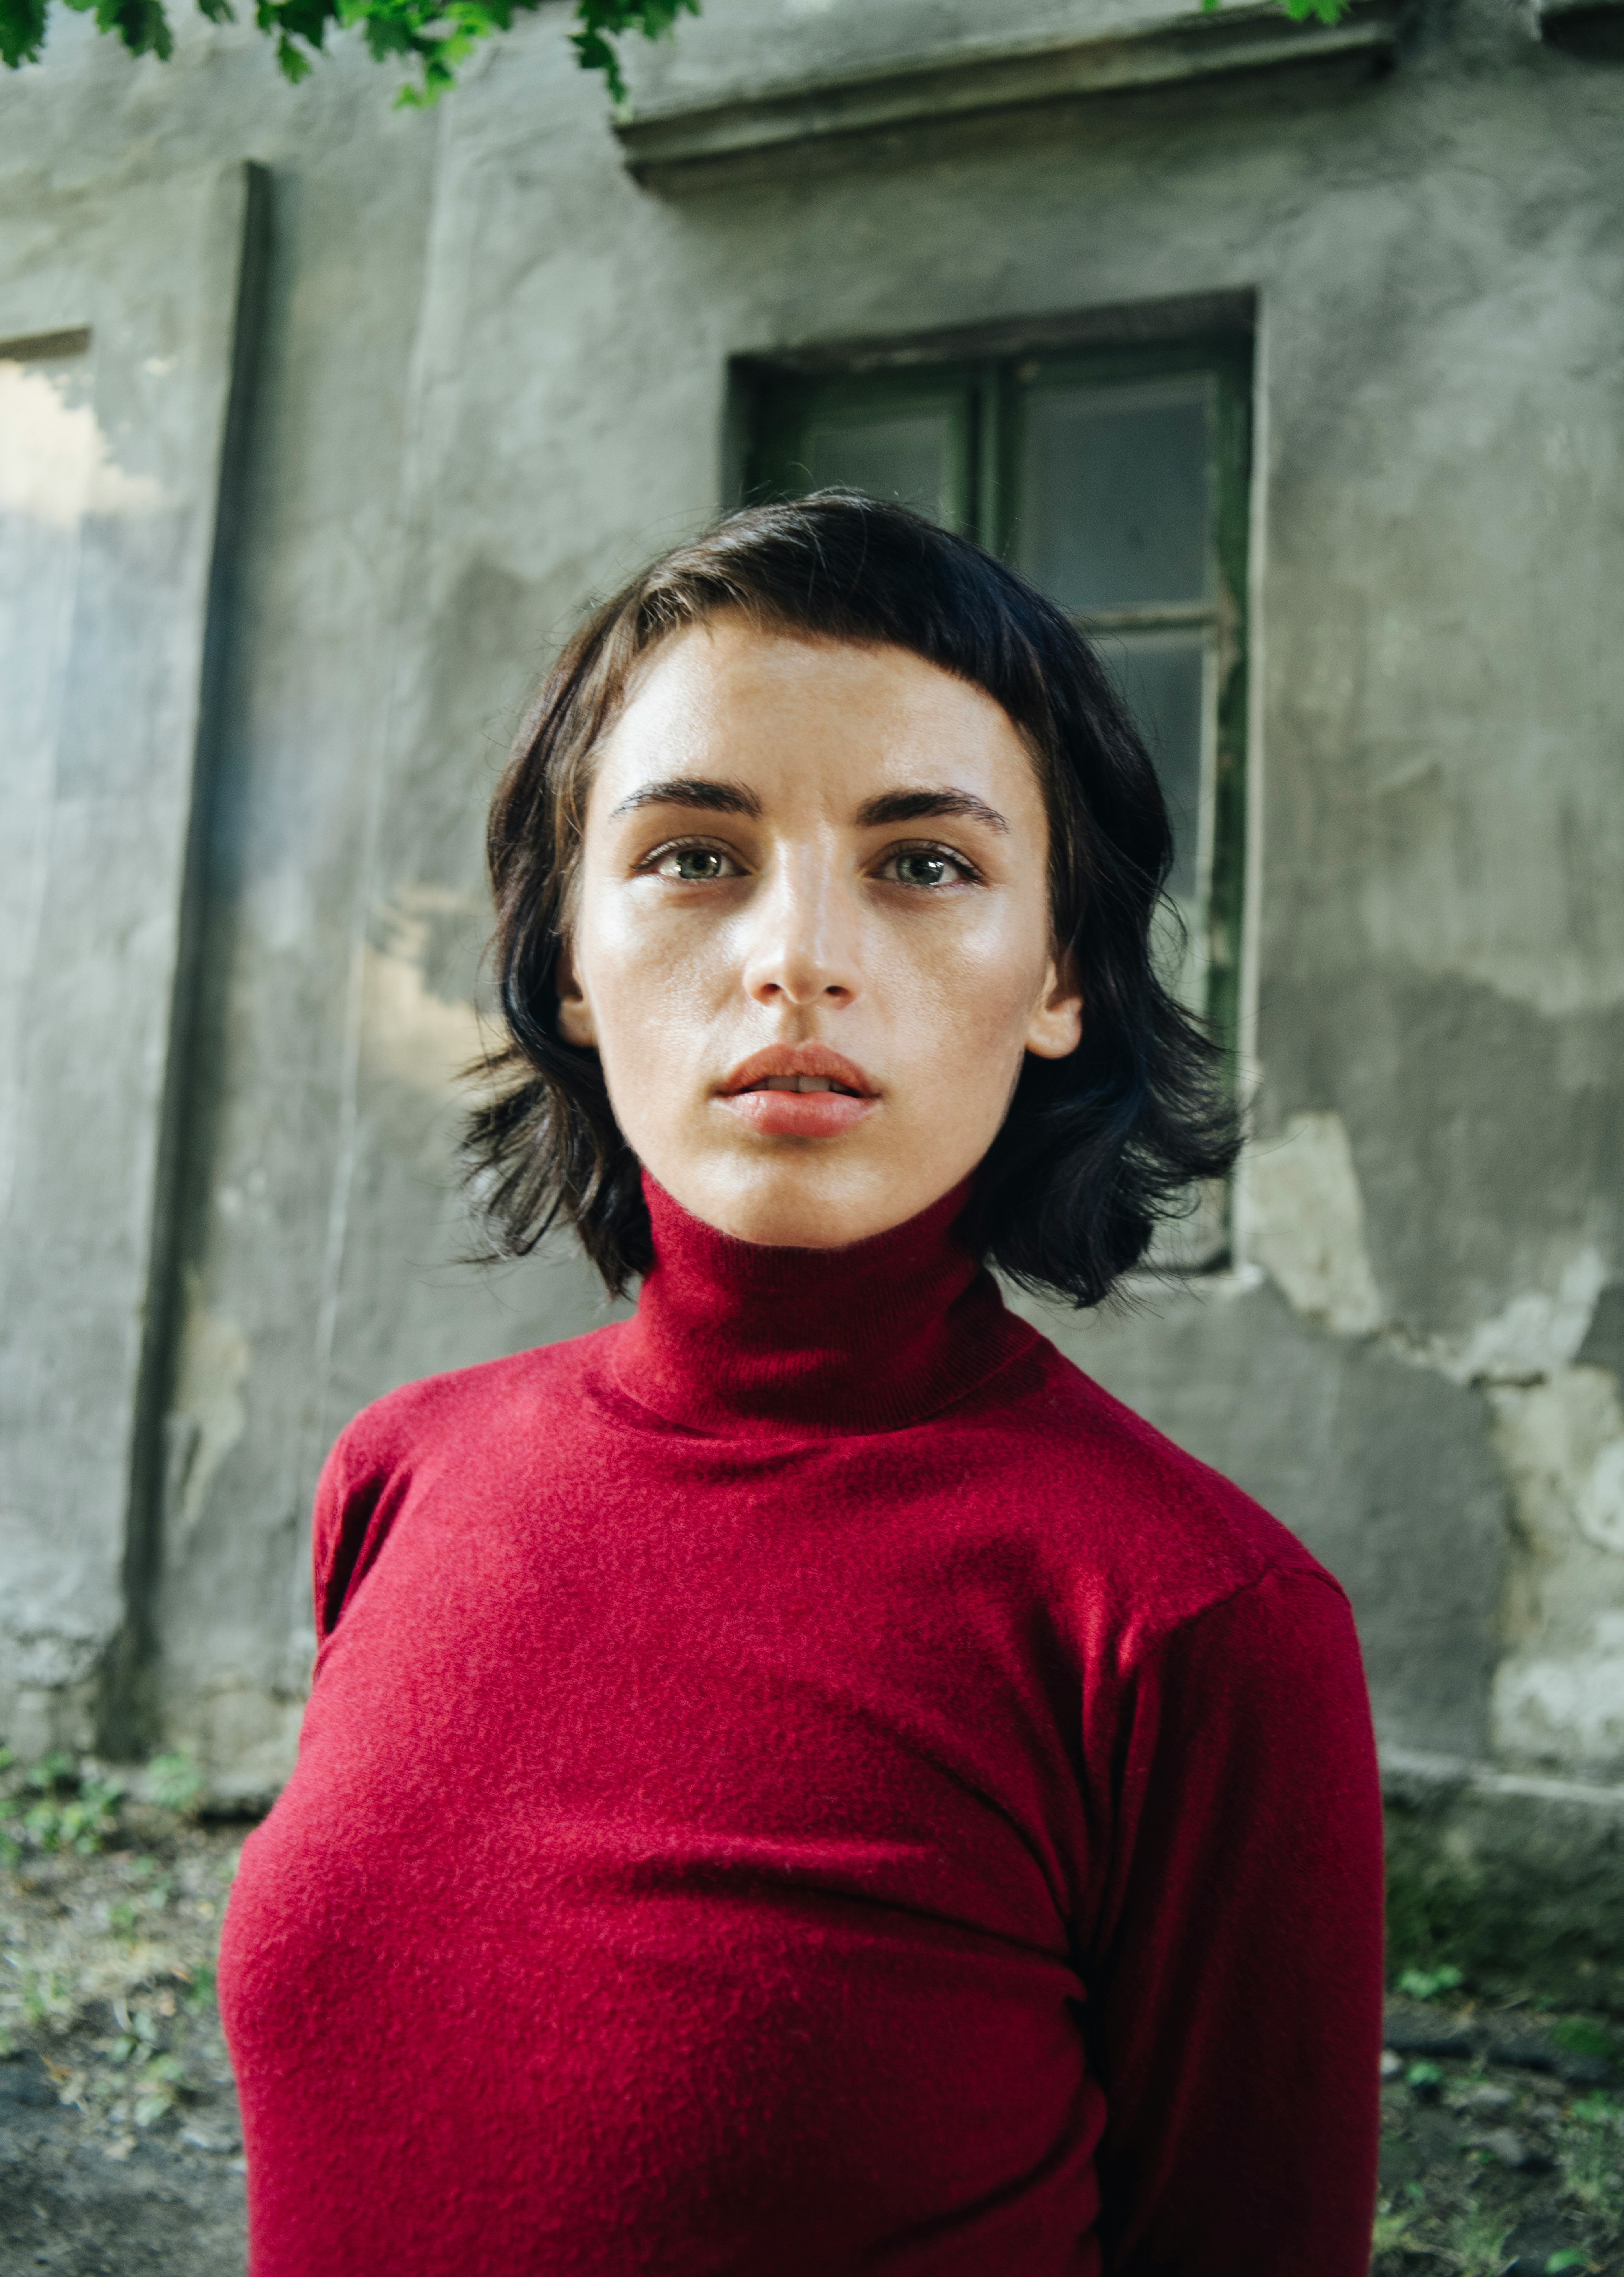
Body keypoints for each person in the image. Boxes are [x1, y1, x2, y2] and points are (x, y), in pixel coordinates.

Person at [219, 493, 1385, 2275]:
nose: (795, 957)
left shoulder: (1188, 1628)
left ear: (1062, 971)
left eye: (924, 864)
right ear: (569, 963)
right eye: (694, 854)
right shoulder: (398, 1478)